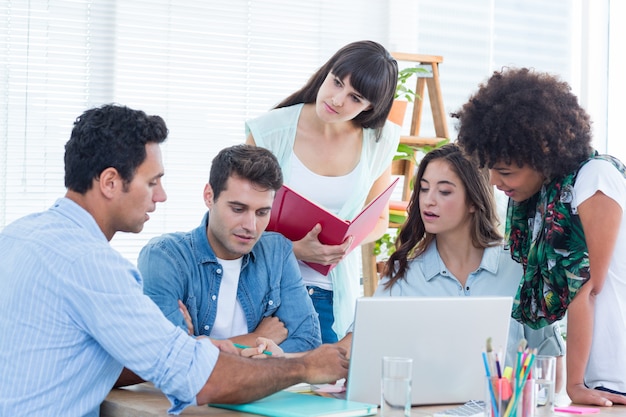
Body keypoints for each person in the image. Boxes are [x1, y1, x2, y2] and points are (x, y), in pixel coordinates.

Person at [0, 104, 348, 417]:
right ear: (109, 182)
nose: (161, 196)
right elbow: (199, 381)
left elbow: (86, 356)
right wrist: (304, 367)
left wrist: (192, 346)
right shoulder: (94, 266)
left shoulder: (16, 237)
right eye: (152, 182)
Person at [453, 67, 626, 406]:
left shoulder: (595, 179)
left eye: (505, 172)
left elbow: (588, 288)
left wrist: (573, 385)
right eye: (490, 169)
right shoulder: (551, 195)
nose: (492, 181)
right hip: (601, 376)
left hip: (615, 374)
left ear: (542, 157)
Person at [337, 143, 565, 386]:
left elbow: (550, 370)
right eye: (423, 190)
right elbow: (363, 352)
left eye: (444, 192)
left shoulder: (521, 270)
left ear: (474, 202)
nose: (428, 201)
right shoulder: (402, 276)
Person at [245, 40, 400, 342]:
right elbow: (232, 218)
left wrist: (340, 246)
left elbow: (379, 221)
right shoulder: (270, 132)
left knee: (323, 387)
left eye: (356, 97)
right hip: (264, 292)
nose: (338, 99)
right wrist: (294, 250)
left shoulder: (378, 140)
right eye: (337, 82)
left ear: (371, 106)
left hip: (330, 295)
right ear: (325, 73)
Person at [138, 144, 322, 353]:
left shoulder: (277, 251)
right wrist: (255, 340)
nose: (251, 226)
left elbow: (308, 342)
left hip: (265, 387)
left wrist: (198, 344)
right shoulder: (165, 256)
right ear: (209, 196)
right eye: (238, 209)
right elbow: (166, 353)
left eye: (262, 212)